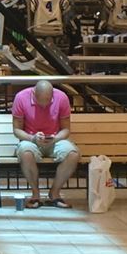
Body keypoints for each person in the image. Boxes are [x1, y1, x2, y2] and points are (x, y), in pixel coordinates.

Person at [10, 77, 78, 208]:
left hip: (55, 139)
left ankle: (55, 193)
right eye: (40, 102)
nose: (44, 106)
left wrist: (56, 138)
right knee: (26, 152)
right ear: (33, 93)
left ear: (52, 95)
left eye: (47, 102)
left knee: (73, 154)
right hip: (30, 139)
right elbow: (17, 130)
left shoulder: (62, 98)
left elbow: (66, 129)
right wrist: (32, 138)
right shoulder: (21, 97)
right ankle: (35, 195)